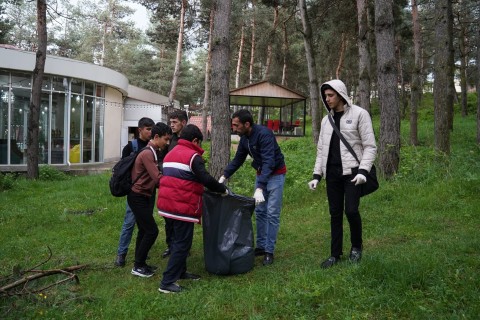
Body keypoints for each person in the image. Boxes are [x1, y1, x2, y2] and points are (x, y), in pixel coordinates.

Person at [307, 79, 377, 269]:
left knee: (351, 210)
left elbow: (370, 146)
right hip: (332, 174)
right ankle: (335, 254)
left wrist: (363, 170)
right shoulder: (326, 120)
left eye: (331, 95)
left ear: (341, 94)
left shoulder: (360, 114)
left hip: (353, 172)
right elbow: (321, 150)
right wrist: (316, 175)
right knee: (334, 213)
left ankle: (356, 247)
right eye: (325, 96)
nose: (327, 99)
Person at [157, 124, 227, 293]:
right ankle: (167, 282)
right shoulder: (193, 156)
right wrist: (222, 189)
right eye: (200, 143)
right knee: (182, 244)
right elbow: (206, 179)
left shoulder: (170, 154)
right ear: (195, 140)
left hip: (167, 205)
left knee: (175, 241)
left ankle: (180, 272)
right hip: (181, 206)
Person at [219, 109, 287, 266]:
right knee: (260, 212)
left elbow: (269, 161)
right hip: (262, 174)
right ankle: (262, 247)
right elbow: (238, 160)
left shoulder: (265, 134)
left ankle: (269, 251)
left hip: (276, 175)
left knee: (272, 213)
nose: (234, 128)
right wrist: (224, 176)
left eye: (236, 125)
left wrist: (260, 188)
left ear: (247, 124)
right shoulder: (244, 139)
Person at [129, 122, 172, 277]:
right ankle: (138, 266)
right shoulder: (148, 153)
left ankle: (140, 263)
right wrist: (175, 184)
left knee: (143, 230)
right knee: (152, 231)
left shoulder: (152, 151)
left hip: (143, 196)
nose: (167, 143)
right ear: (156, 137)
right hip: (138, 197)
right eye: (165, 139)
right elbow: (158, 178)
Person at [114, 117, 155, 267]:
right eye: (148, 129)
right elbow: (122, 169)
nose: (150, 132)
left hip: (149, 192)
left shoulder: (154, 146)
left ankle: (140, 254)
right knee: (129, 222)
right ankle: (121, 254)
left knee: (145, 224)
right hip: (135, 192)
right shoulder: (131, 147)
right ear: (140, 130)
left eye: (152, 129)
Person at [161, 109, 188, 259]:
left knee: (181, 219)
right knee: (168, 218)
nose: (171, 125)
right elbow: (161, 158)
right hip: (168, 184)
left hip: (183, 185)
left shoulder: (190, 138)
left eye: (174, 122)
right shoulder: (169, 139)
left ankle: (181, 246)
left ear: (183, 123)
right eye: (170, 122)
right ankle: (170, 246)